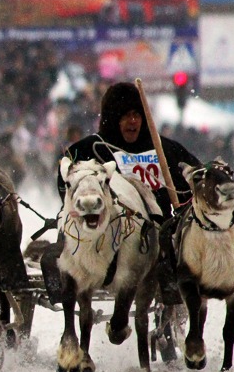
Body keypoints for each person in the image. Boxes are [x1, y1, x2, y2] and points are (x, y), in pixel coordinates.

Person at [55, 81, 202, 305]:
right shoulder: (89, 149)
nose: (132, 121)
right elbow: (66, 178)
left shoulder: (163, 148)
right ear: (113, 119)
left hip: (157, 229)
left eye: (136, 115)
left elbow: (195, 177)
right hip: (105, 231)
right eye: (125, 116)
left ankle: (172, 291)